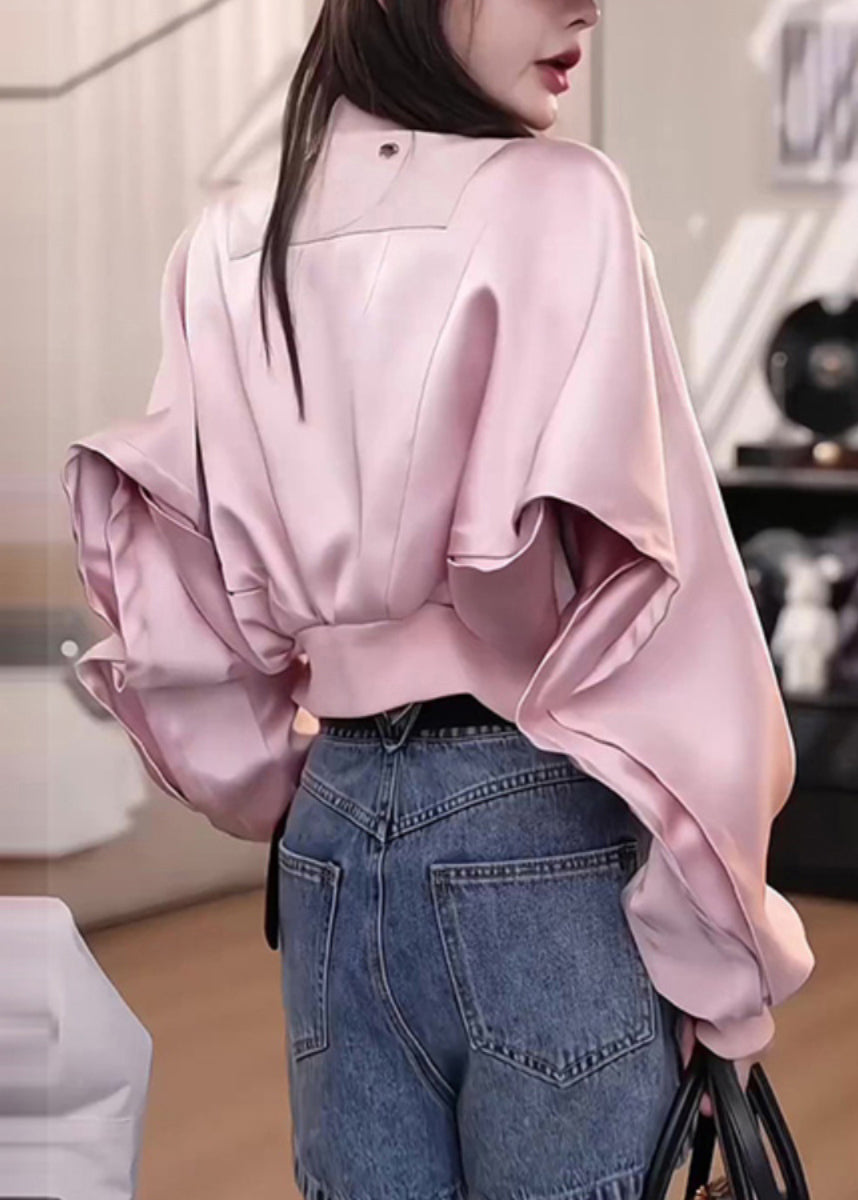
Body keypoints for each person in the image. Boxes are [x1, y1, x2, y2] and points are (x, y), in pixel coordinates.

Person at [60, 0, 816, 1196]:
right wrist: (725, 970)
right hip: (536, 823)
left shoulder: (229, 239)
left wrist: (305, 787)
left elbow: (192, 623)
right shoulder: (560, 200)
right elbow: (672, 629)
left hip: (331, 823)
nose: (587, 7)